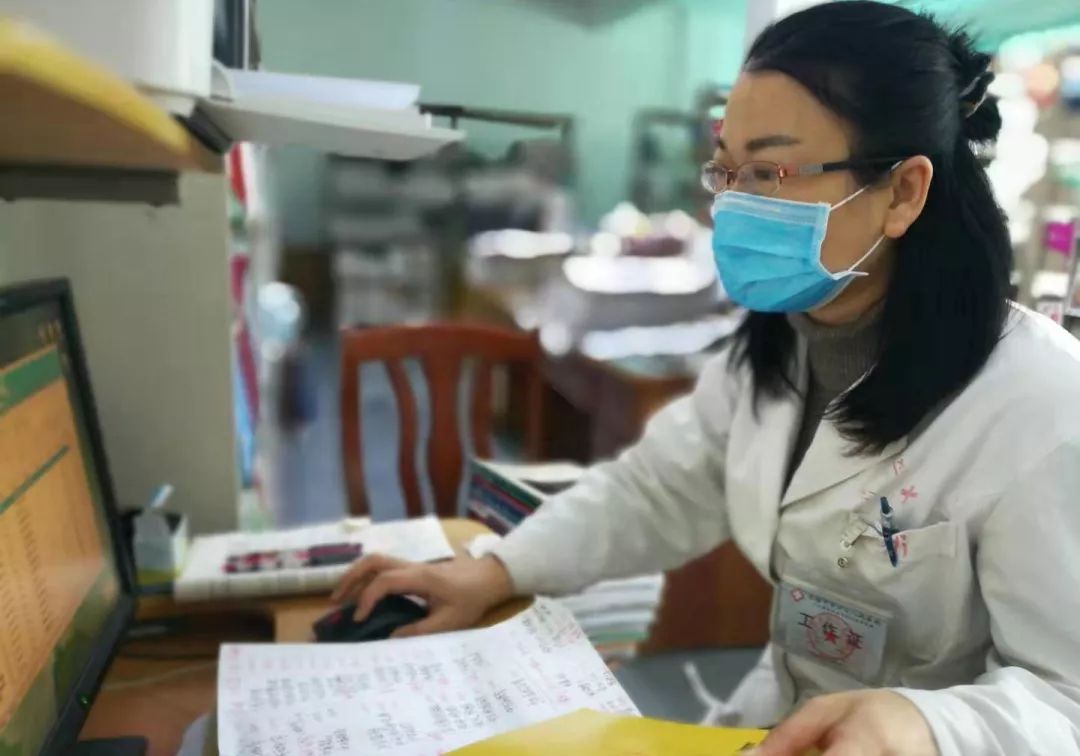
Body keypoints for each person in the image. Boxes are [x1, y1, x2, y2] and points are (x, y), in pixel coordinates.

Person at [334, 3, 1080, 753]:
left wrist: (925, 725)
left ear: (903, 192)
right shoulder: (781, 344)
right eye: (726, 170)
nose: (733, 205)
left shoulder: (1040, 406)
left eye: (769, 171)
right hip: (776, 724)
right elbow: (655, 489)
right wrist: (496, 570)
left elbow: (1066, 697)